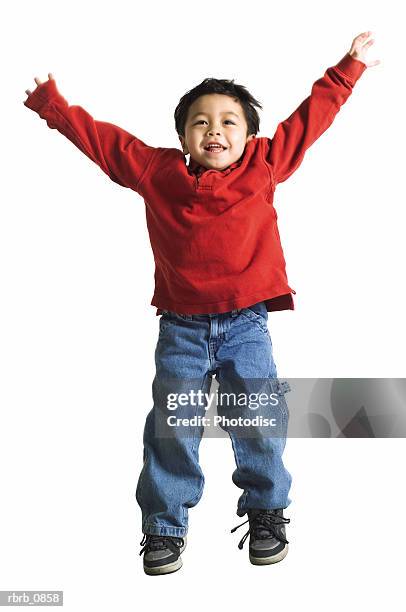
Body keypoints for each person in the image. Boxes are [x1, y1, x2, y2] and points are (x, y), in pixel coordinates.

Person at [24, 31, 379, 575]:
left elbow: (313, 118)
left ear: (250, 136)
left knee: (259, 418)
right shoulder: (156, 172)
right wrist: (53, 104)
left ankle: (266, 511)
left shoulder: (264, 165)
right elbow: (101, 142)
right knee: (174, 424)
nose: (215, 130)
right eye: (200, 122)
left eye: (228, 121)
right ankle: (164, 527)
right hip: (182, 330)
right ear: (184, 137)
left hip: (246, 324)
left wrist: (348, 69)